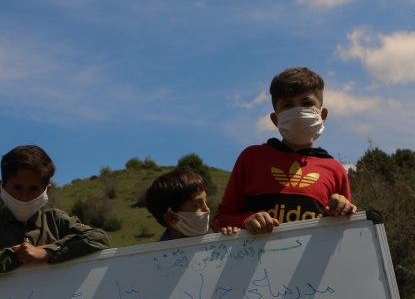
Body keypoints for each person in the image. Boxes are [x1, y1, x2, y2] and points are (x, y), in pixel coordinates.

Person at [215, 67, 356, 234]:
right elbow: (220, 220)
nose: (298, 111)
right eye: (288, 105)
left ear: (322, 114)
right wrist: (245, 221)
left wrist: (341, 209)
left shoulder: (336, 170)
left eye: (307, 103)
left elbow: (345, 231)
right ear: (276, 119)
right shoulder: (251, 158)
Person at [0, 145, 109, 278]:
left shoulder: (55, 220)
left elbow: (98, 238)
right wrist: (15, 256)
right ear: (1, 186)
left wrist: (47, 252)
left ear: (47, 190)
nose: (23, 197)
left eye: (33, 189)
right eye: (17, 187)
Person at [144, 168, 241, 241]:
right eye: (196, 205)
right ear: (171, 218)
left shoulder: (216, 244)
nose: (207, 209)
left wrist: (229, 238)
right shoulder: (154, 261)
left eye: (205, 202)